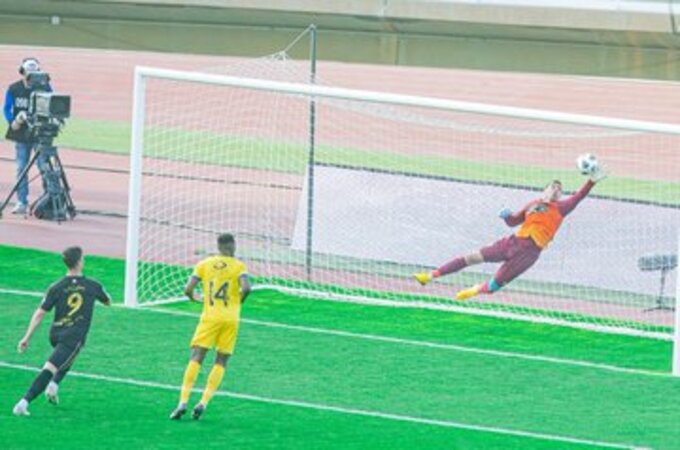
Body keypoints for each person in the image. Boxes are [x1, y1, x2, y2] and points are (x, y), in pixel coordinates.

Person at [414, 167, 606, 300]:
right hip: (512, 243)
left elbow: (580, 196)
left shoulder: (562, 207)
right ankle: (430, 276)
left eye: (559, 190)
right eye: (553, 187)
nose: (556, 190)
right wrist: (506, 216)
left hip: (529, 254)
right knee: (472, 257)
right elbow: (514, 221)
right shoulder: (532, 205)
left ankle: (474, 290)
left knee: (493, 288)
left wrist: (592, 180)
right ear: (545, 190)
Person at [13, 246, 111, 416]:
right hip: (73, 335)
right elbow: (108, 301)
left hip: (55, 334)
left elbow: (40, 313)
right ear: (80, 262)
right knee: (50, 368)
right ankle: (23, 403)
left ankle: (54, 385)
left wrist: (26, 337)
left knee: (67, 356)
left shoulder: (56, 286)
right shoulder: (93, 285)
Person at [170, 233, 251, 420]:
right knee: (221, 360)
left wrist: (195, 298)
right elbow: (246, 288)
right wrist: (238, 301)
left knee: (197, 356)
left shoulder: (204, 264)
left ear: (218, 247)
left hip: (210, 317)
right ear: (233, 246)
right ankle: (203, 402)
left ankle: (183, 401)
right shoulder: (239, 266)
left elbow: (188, 289)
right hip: (231, 318)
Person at [3, 57, 53, 215]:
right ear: (22, 72)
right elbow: (6, 108)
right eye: (28, 73)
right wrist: (13, 121)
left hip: (39, 134)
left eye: (34, 73)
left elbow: (54, 103)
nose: (31, 77)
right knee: (21, 168)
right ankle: (21, 202)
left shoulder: (45, 87)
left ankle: (49, 200)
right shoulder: (13, 88)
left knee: (44, 167)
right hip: (21, 134)